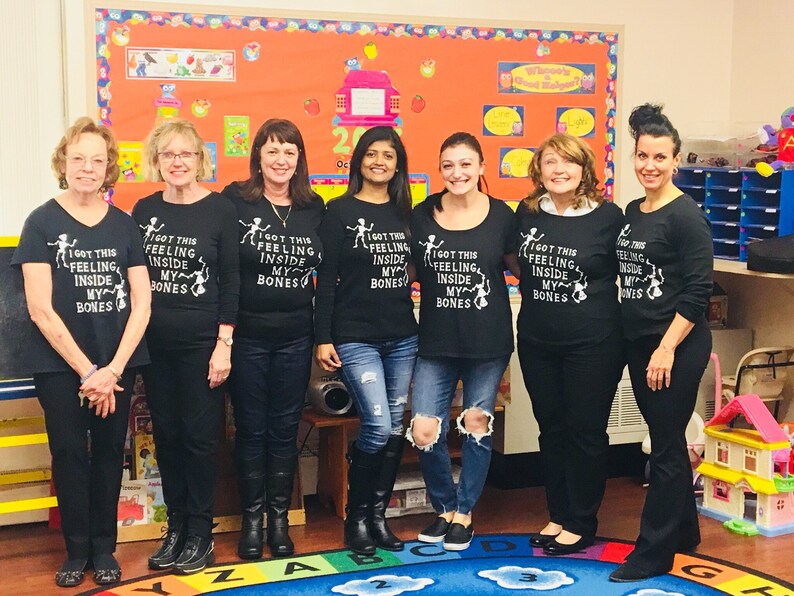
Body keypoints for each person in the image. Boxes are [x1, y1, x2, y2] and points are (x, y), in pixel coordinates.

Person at [12, 117, 151, 588]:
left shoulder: (125, 225)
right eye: (78, 159)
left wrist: (112, 370)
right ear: (63, 164)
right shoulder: (41, 222)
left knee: (112, 453)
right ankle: (76, 551)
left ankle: (103, 548)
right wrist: (89, 370)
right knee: (70, 453)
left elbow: (142, 302)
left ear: (109, 167)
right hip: (58, 365)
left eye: (97, 160)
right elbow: (39, 308)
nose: (87, 168)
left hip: (116, 364)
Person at [609, 104, 712, 582]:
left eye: (660, 157)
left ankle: (652, 553)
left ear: (676, 160)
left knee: (666, 447)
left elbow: (697, 292)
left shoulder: (687, 215)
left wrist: (667, 347)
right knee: (666, 441)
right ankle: (685, 532)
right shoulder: (634, 212)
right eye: (641, 155)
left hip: (674, 347)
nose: (649, 165)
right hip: (639, 343)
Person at [132, 119, 239, 574]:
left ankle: (201, 533)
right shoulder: (143, 210)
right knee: (168, 439)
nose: (177, 162)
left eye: (186, 154)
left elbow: (232, 282)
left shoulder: (220, 210)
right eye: (168, 154)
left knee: (199, 440)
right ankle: (175, 528)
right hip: (155, 348)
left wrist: (224, 344)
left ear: (200, 159)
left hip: (203, 347)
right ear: (157, 160)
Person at [514, 133, 625, 555]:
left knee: (586, 431)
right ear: (538, 170)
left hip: (593, 343)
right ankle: (559, 514)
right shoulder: (524, 214)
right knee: (552, 430)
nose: (559, 170)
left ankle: (581, 521)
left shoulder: (609, 217)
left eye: (569, 162)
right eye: (550, 162)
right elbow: (513, 262)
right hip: (537, 341)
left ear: (584, 170)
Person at [407, 132, 516, 551]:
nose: (458, 173)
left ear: (482, 167)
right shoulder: (421, 214)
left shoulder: (503, 216)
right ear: (440, 169)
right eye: (449, 165)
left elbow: (521, 269)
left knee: (476, 426)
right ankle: (443, 509)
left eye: (466, 164)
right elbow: (406, 272)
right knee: (423, 429)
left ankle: (465, 513)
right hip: (435, 341)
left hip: (487, 343)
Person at [221, 119, 323, 559]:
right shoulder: (234, 201)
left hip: (297, 338)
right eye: (272, 151)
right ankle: (252, 521)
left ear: (299, 159)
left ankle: (280, 521)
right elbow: (225, 269)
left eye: (290, 152)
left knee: (284, 431)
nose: (281, 160)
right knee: (250, 430)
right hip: (246, 338)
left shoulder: (313, 206)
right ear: (257, 157)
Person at [315, 126, 417, 555]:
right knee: (376, 425)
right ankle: (356, 520)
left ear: (398, 164)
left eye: (388, 155)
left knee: (395, 427)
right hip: (355, 337)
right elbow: (326, 282)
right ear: (358, 160)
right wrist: (323, 338)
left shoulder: (409, 214)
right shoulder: (338, 212)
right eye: (371, 154)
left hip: (403, 338)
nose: (379, 161)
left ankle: (378, 518)